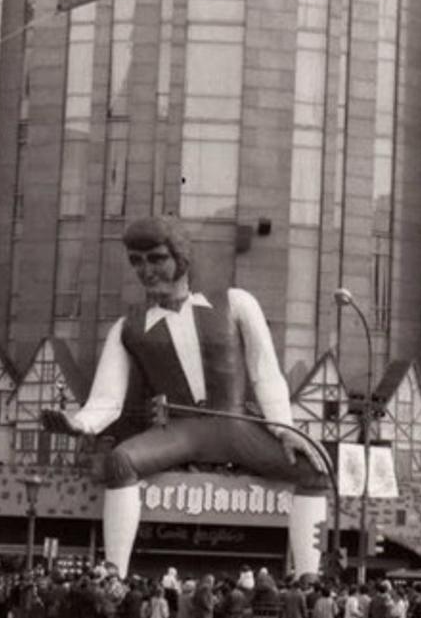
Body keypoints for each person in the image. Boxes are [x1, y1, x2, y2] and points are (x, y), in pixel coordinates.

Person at [64, 217, 330, 577]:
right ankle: (115, 572)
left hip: (237, 426)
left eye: (156, 258)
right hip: (181, 432)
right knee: (121, 461)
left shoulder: (236, 303)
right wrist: (78, 424)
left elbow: (266, 372)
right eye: (137, 261)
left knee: (314, 469)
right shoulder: (128, 327)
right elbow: (106, 399)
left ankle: (307, 576)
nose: (146, 270)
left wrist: (285, 429)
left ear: (181, 256)